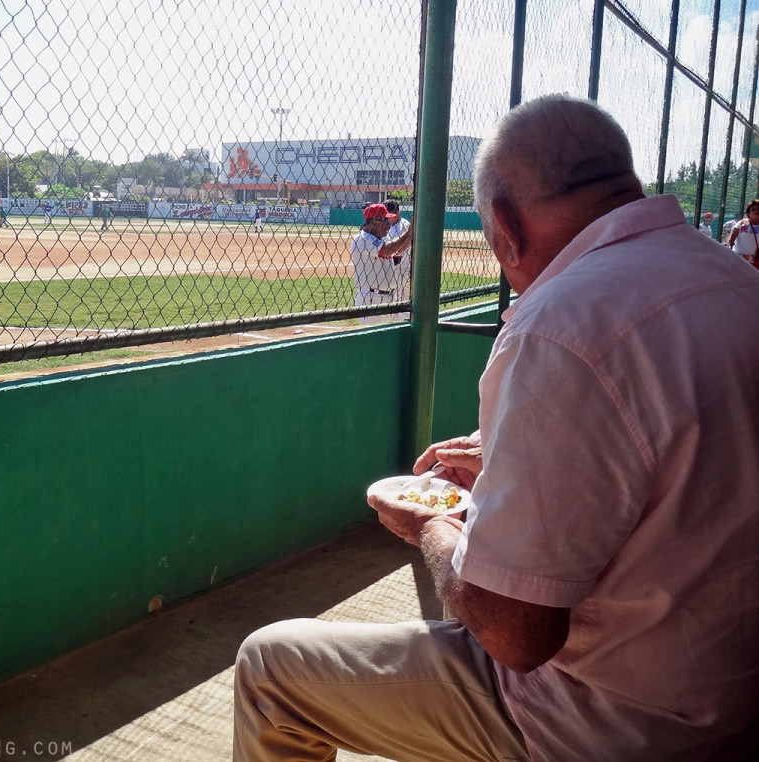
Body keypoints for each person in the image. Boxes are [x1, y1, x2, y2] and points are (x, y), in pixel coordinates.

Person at [233, 95, 759, 761]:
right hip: (732, 693)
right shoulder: (730, 275)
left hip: (615, 724)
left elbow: (513, 633)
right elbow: (678, 469)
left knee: (269, 666)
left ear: (507, 225)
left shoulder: (561, 324)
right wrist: (524, 460)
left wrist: (430, 526)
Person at [349, 203, 412, 325]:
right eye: (386, 221)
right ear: (375, 222)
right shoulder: (362, 239)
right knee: (372, 340)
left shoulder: (380, 239)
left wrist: (412, 233)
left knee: (392, 339)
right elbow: (386, 250)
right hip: (371, 299)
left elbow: (398, 250)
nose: (389, 225)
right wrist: (409, 231)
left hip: (390, 298)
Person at [384, 199, 412, 313]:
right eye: (388, 216)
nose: (390, 218)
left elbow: (400, 249)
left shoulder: (400, 227)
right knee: (400, 300)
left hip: (402, 269)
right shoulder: (403, 224)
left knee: (401, 302)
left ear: (398, 213)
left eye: (393, 216)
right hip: (403, 268)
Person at [727, 198, 759, 269]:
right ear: (748, 213)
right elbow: (731, 238)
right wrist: (729, 251)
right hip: (739, 260)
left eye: (758, 209)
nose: (756, 211)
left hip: (756, 262)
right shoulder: (742, 224)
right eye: (753, 209)